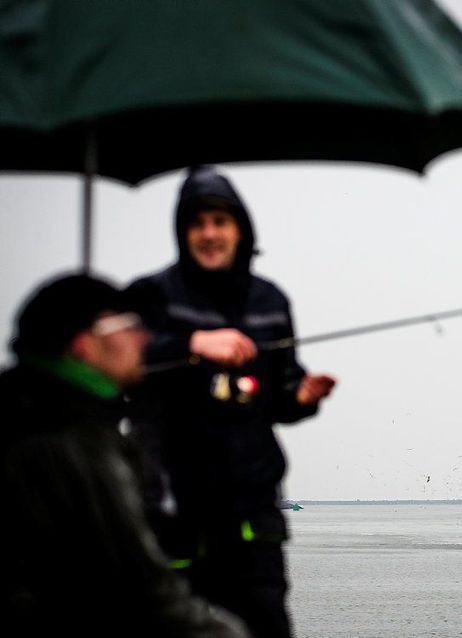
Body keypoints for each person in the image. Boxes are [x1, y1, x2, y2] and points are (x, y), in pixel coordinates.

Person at [127, 167, 336, 638]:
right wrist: (191, 344)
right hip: (173, 513)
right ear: (183, 232)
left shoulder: (270, 301)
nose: (209, 234)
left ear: (240, 229)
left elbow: (282, 393)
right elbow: (117, 366)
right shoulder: (151, 295)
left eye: (220, 221)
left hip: (253, 519)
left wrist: (302, 397)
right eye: (197, 223)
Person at [0, 274, 249, 638]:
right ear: (83, 344)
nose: (143, 338)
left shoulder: (22, 412)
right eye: (129, 326)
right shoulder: (71, 441)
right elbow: (143, 592)